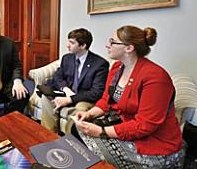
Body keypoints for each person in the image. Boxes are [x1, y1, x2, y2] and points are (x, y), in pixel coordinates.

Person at [71, 25, 184, 168]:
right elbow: (106, 101)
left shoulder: (156, 77)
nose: (107, 45)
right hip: (127, 127)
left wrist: (101, 131)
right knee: (76, 130)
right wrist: (88, 114)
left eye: (112, 42)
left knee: (89, 146)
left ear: (129, 48)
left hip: (154, 142)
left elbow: (144, 125)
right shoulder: (117, 68)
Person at [40, 28, 109, 132]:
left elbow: (96, 92)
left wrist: (71, 99)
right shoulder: (67, 58)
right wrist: (65, 89)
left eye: (72, 43)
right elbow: (57, 77)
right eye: (68, 41)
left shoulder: (100, 64)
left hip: (84, 99)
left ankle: (70, 142)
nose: (67, 45)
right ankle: (49, 135)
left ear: (83, 45)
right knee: (46, 98)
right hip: (67, 93)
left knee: (80, 109)